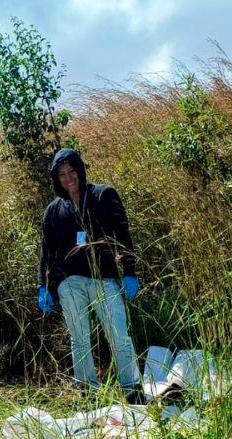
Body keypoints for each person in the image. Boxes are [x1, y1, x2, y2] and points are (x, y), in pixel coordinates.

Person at [37, 147, 143, 403]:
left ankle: (133, 392)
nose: (67, 178)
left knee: (119, 335)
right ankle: (90, 395)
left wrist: (129, 272)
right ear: (56, 178)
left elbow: (123, 235)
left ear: (80, 170)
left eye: (71, 171)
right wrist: (44, 286)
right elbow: (46, 250)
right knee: (80, 340)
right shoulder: (53, 210)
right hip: (69, 283)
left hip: (104, 279)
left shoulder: (103, 196)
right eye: (61, 174)